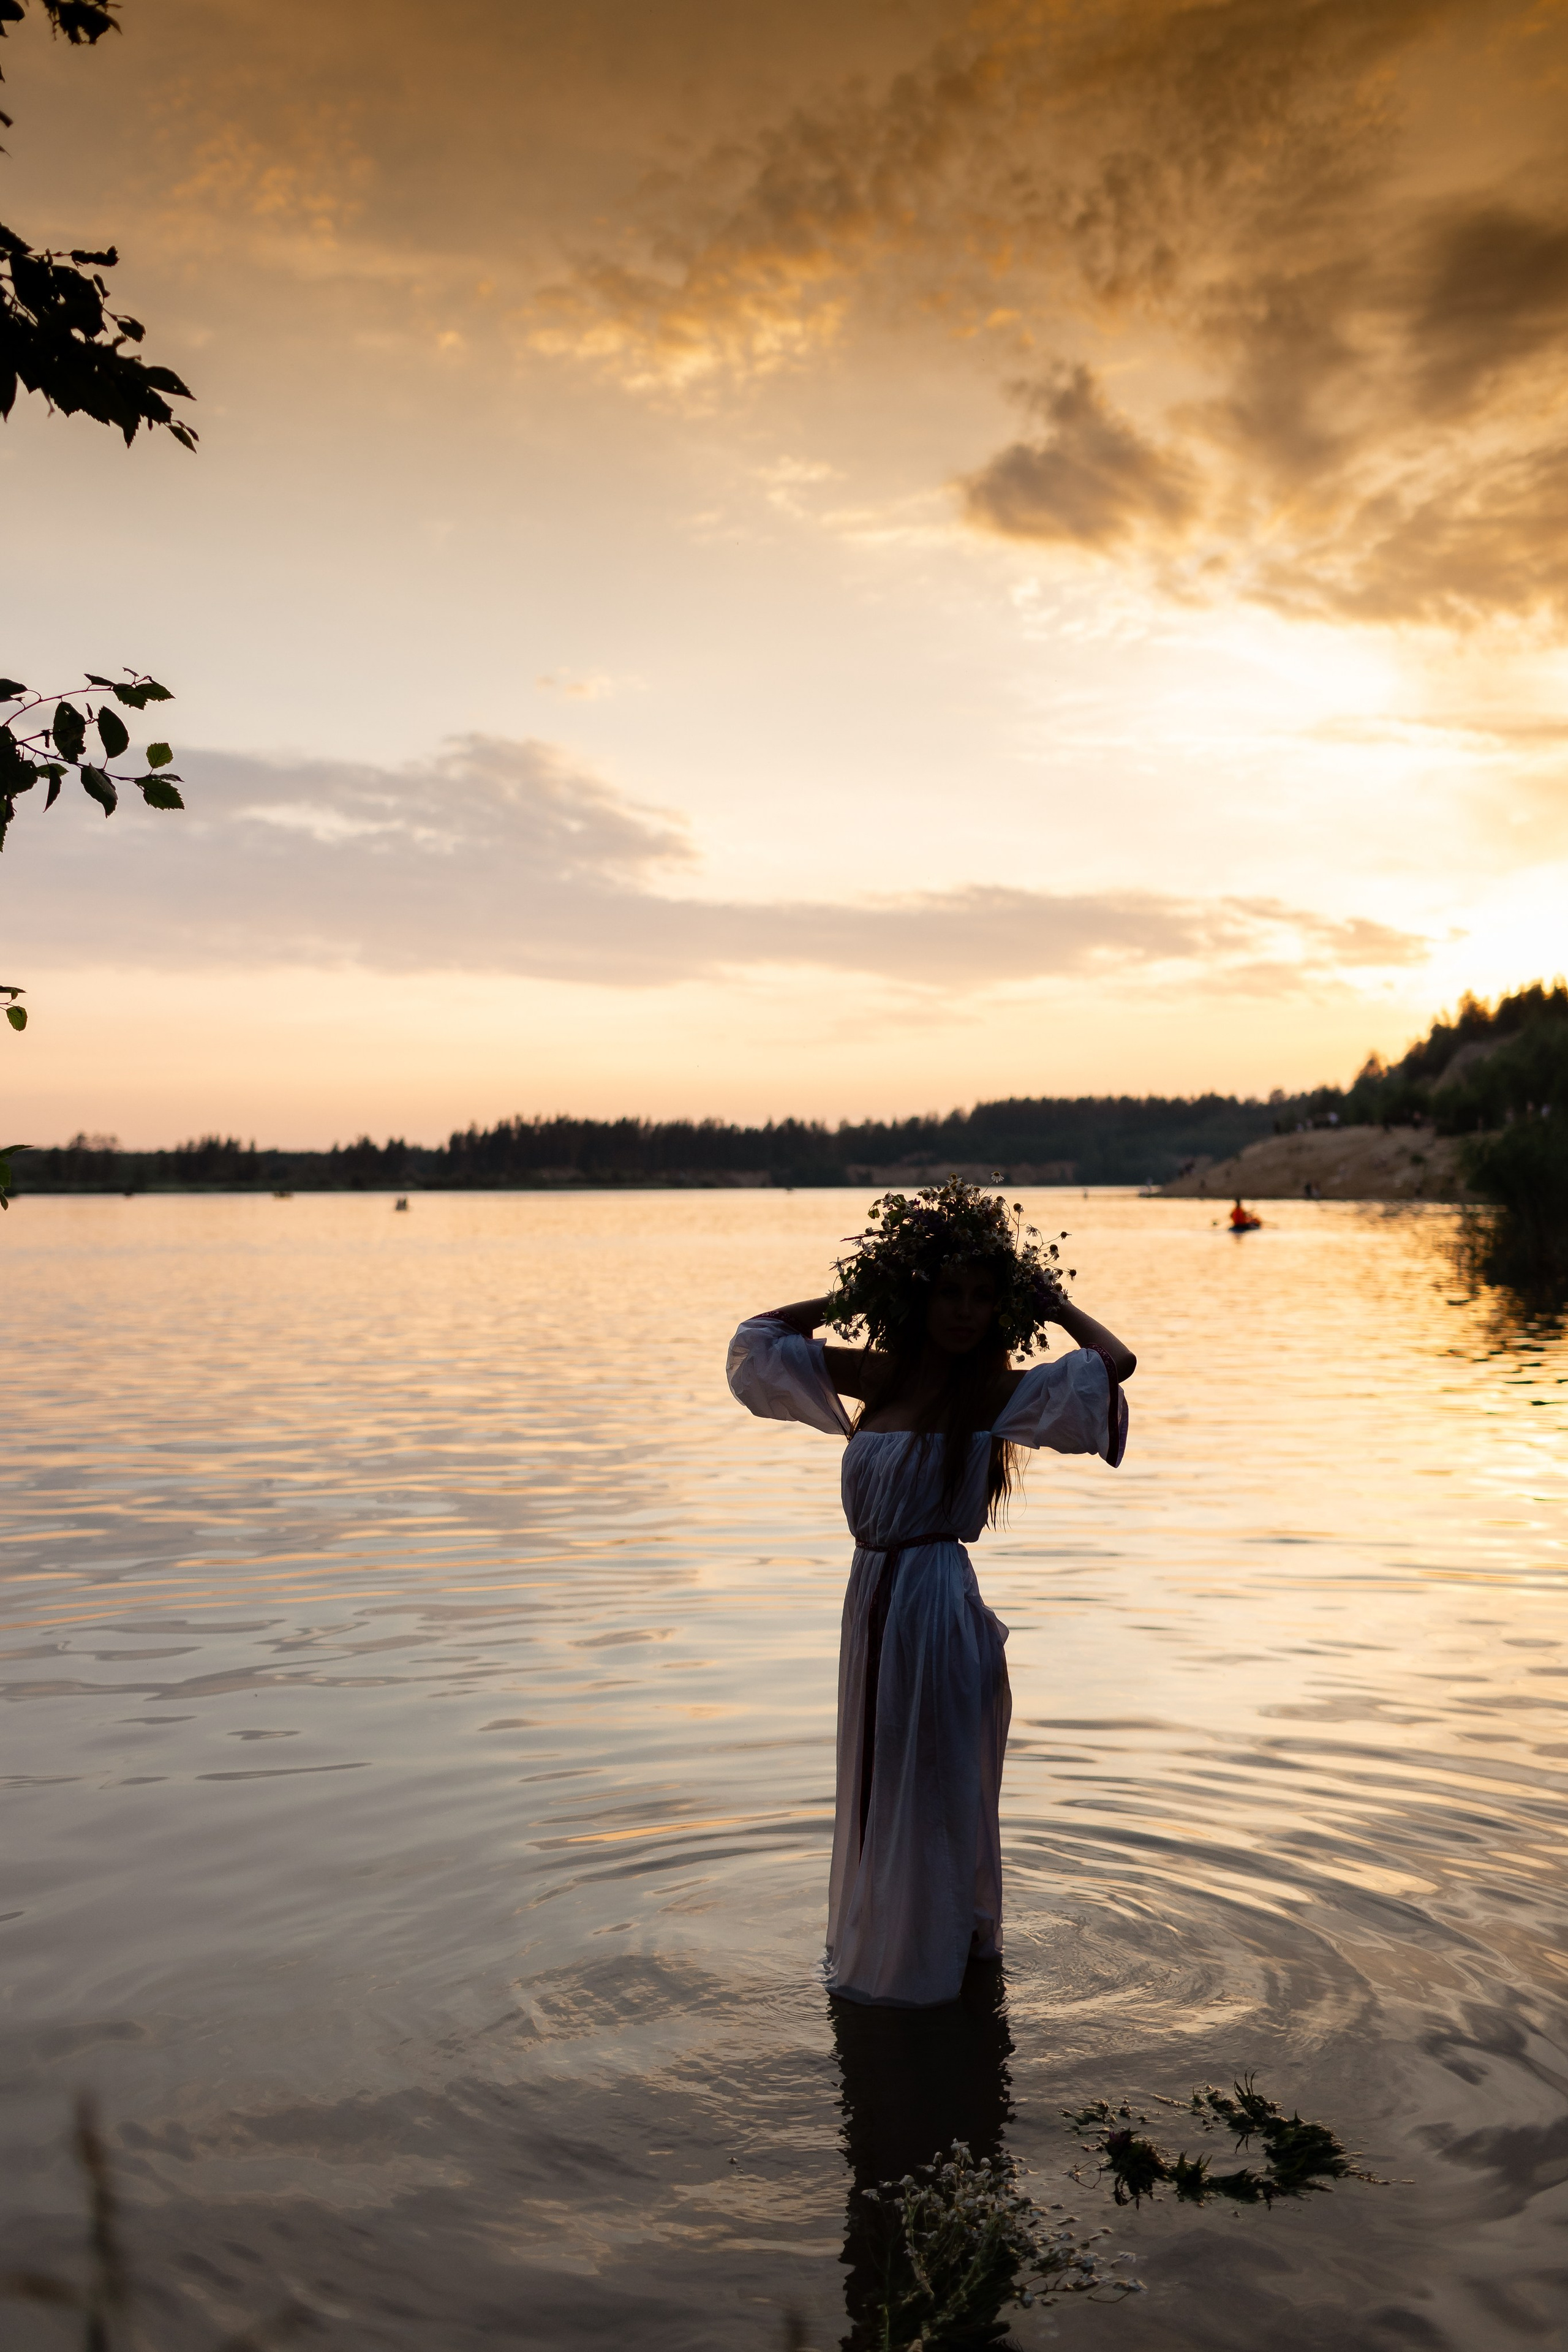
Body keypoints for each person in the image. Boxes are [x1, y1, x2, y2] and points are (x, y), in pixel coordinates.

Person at [726, 1180, 1136, 2008]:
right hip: (873, 1596)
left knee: (931, 1790)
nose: (965, 1312)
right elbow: (756, 1343)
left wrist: (1053, 1304)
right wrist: (855, 1296)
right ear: (919, 1297)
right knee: (886, 1781)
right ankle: (906, 1950)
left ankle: (930, 1972)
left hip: (936, 1606)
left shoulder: (991, 1394)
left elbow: (1114, 1366)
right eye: (949, 1292)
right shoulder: (877, 1376)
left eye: (982, 1297)